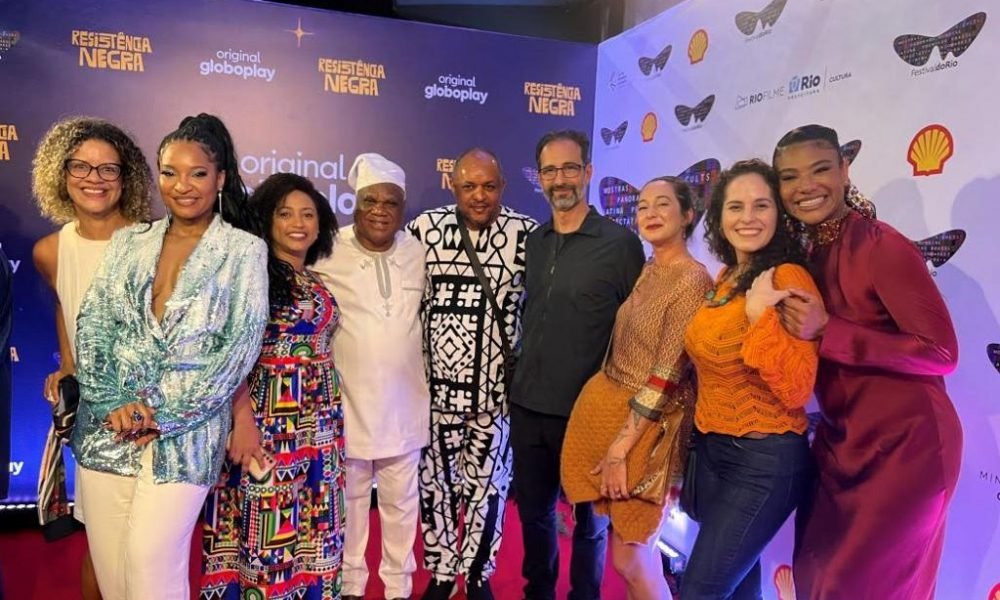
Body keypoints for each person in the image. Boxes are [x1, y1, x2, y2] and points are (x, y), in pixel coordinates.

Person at [71, 113, 268, 600]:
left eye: (198, 173)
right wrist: (112, 402)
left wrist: (165, 416)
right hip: (108, 428)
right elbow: (93, 325)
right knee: (115, 577)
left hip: (186, 435)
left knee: (151, 566)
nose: (182, 186)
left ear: (220, 179)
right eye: (170, 172)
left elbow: (238, 348)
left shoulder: (243, 251)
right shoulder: (129, 241)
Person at [772, 124, 963, 600]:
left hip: (908, 450)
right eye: (789, 177)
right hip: (839, 447)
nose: (805, 187)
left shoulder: (882, 246)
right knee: (817, 580)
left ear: (844, 169)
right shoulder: (804, 252)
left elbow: (942, 352)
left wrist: (828, 330)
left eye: (820, 169)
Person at [561, 177, 712, 600]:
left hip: (653, 432)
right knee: (632, 557)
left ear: (687, 215)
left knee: (632, 557)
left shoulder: (691, 280)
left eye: (662, 204)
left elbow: (666, 374)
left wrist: (620, 449)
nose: (650, 213)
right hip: (624, 419)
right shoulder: (650, 269)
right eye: (643, 205)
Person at [509, 130, 645, 600]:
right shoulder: (535, 241)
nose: (560, 179)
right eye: (550, 171)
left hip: (590, 412)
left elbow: (636, 332)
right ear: (540, 178)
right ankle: (539, 593)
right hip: (528, 406)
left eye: (570, 168)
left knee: (590, 523)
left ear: (588, 172)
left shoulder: (620, 244)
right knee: (535, 514)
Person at [680, 159, 818, 599]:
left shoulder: (786, 278)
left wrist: (760, 318)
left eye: (761, 205)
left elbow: (798, 388)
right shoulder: (726, 277)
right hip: (714, 451)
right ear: (719, 217)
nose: (748, 217)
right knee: (739, 590)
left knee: (698, 592)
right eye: (736, 206)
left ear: (779, 213)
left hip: (764, 461)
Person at [201, 171, 342, 599]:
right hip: (267, 424)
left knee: (316, 531)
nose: (298, 223)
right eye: (285, 213)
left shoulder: (315, 280)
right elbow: (227, 355)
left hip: (319, 429)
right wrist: (241, 421)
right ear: (266, 219)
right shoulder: (251, 276)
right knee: (268, 535)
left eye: (308, 214)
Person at [30, 116, 153, 599]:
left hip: (152, 416)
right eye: (80, 166)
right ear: (61, 174)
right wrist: (68, 365)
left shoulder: (152, 241)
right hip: (97, 423)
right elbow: (66, 304)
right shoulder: (49, 250)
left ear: (126, 177)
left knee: (149, 548)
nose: (93, 179)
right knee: (101, 547)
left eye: (108, 169)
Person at [407, 147, 536, 600]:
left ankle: (478, 574)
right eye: (469, 186)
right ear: (453, 186)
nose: (479, 195)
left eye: (488, 186)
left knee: (487, 491)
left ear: (503, 186)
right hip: (434, 397)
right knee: (435, 489)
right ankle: (443, 573)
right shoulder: (423, 230)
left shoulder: (527, 235)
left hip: (495, 398)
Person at [313, 153, 429, 600]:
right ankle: (351, 585)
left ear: (403, 209)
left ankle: (398, 587)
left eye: (391, 202)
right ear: (354, 204)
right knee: (353, 503)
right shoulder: (327, 250)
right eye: (370, 201)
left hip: (405, 405)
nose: (380, 210)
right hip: (349, 405)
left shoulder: (417, 252)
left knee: (402, 504)